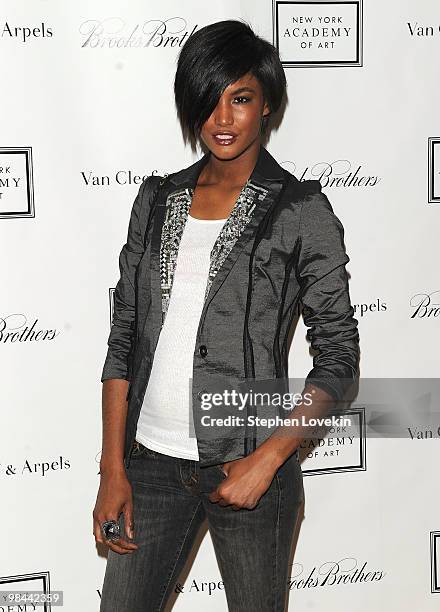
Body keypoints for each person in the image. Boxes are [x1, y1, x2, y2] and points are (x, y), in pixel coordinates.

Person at [94, 19, 360, 612]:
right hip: (152, 465)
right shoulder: (157, 200)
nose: (222, 119)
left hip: (249, 465)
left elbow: (339, 358)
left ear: (267, 105)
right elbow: (124, 340)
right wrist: (113, 469)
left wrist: (268, 461)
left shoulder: (301, 210)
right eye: (208, 101)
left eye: (240, 99)